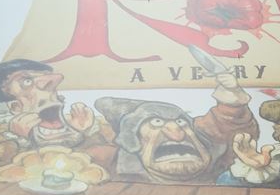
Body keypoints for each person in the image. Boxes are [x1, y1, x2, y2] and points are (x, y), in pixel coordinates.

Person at [0, 59, 114, 175]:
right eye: (27, 81)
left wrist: (87, 134)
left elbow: (111, 160)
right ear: (15, 107)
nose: (54, 81)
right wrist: (15, 143)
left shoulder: (86, 123)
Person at [95, 72, 258, 185]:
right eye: (157, 122)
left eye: (181, 121)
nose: (175, 131)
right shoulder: (111, 164)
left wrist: (232, 101)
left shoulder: (221, 163)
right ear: (134, 139)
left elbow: (228, 126)